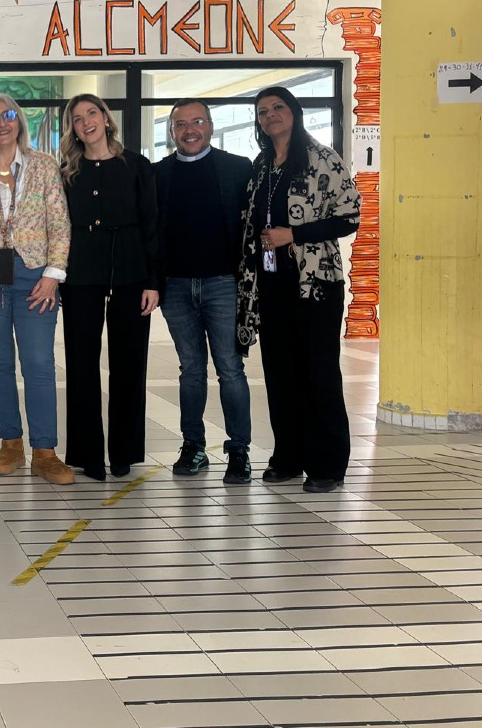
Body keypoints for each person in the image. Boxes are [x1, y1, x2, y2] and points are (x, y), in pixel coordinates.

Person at [236, 86, 361, 493]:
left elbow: (350, 216)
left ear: (294, 111)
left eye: (278, 107)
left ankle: (327, 465)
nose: (270, 115)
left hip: (315, 285)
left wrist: (294, 234)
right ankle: (288, 458)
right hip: (270, 286)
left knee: (318, 373)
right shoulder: (262, 165)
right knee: (280, 374)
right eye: (262, 111)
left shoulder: (322, 158)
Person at [0, 95, 74, 485]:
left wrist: (53, 275)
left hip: (36, 277)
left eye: (8, 115)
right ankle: (10, 443)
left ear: (19, 121)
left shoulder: (44, 166)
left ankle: (45, 451)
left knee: (39, 363)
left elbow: (60, 223)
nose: (1, 123)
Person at [58, 93, 158, 482]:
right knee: (81, 364)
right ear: (72, 128)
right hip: (80, 275)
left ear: (105, 117)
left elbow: (152, 224)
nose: (86, 122)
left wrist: (153, 281)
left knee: (129, 364)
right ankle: (87, 455)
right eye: (77, 118)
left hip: (130, 274)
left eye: (92, 113)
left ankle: (123, 451)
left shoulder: (137, 165)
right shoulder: (67, 171)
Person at [155, 99, 255, 483]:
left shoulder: (238, 168)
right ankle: (193, 446)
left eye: (197, 121)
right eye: (180, 124)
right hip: (176, 287)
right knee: (191, 370)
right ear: (171, 132)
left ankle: (239, 451)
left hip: (224, 284)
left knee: (230, 369)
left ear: (211, 126)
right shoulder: (158, 174)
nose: (189, 130)